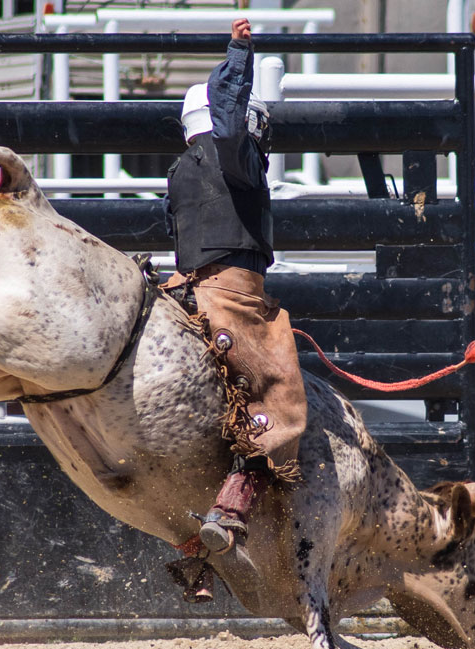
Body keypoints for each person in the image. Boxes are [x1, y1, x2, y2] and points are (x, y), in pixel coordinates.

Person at [163, 19, 308, 568]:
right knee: (281, 406)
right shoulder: (234, 157)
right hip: (232, 298)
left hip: (184, 290)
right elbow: (230, 126)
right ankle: (230, 512)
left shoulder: (180, 170)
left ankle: (190, 550)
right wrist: (239, 55)